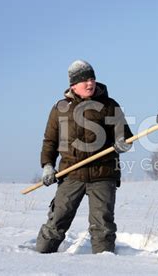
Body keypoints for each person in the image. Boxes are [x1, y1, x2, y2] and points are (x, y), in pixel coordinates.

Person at [35, 60, 133, 254]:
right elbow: (50, 141)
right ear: (73, 85)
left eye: (92, 79)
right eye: (84, 80)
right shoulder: (60, 108)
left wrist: (123, 143)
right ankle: (40, 257)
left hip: (103, 174)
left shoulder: (109, 105)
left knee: (103, 226)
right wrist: (47, 165)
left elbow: (126, 135)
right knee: (57, 220)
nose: (90, 83)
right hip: (71, 174)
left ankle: (103, 264)